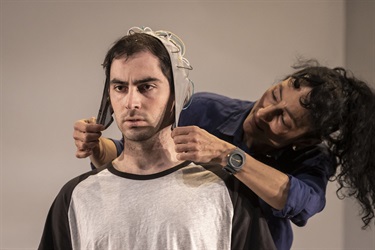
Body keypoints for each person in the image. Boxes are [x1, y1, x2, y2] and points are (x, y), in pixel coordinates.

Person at [74, 56, 375, 249]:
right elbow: (132, 157)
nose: (265, 112)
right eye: (275, 94)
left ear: (305, 140)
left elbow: (304, 202)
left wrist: (227, 155)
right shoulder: (206, 110)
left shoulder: (311, 157)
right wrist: (97, 147)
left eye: (284, 119)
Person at [39, 27, 276, 250]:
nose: (131, 102)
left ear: (177, 95)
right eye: (120, 88)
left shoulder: (226, 190)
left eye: (146, 87)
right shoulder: (76, 196)